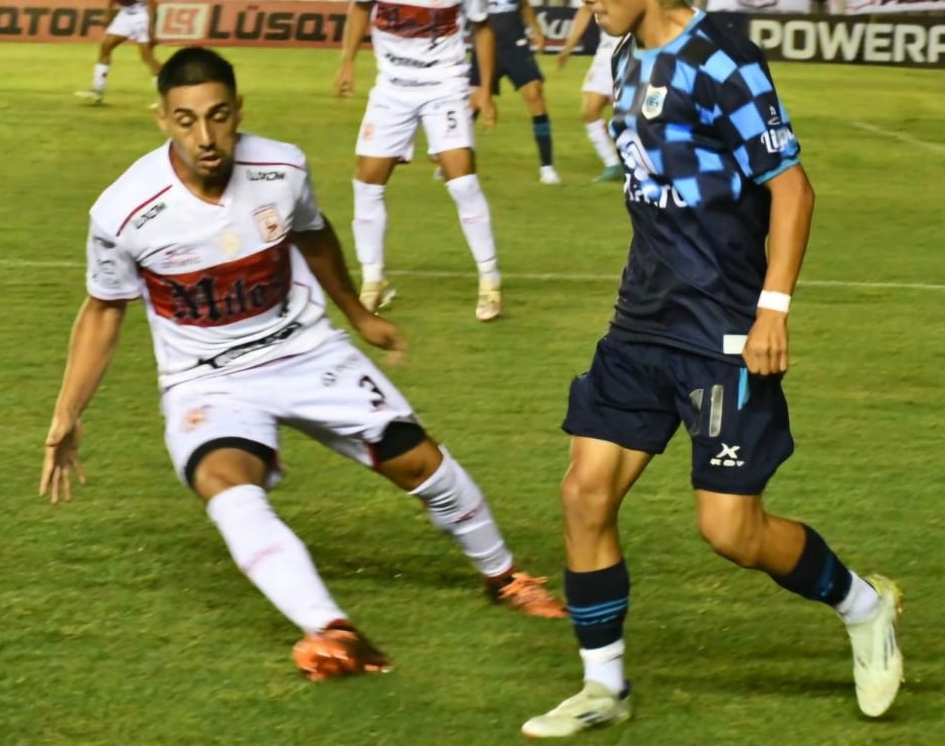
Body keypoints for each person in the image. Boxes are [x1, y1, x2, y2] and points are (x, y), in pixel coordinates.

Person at [40, 46, 565, 678]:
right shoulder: (124, 211)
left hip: (304, 350)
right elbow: (103, 312)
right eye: (186, 120)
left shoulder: (281, 166)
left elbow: (314, 235)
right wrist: (68, 412)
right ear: (162, 119)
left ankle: (504, 576)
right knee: (226, 484)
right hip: (207, 379)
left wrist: (359, 313)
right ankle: (330, 631)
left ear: (239, 111)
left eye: (218, 116)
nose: (205, 137)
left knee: (421, 462)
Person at [520, 0, 903, 738]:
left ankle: (865, 606)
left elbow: (791, 186)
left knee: (730, 530)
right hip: (642, 323)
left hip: (724, 329)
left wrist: (773, 310)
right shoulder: (623, 56)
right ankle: (603, 686)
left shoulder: (721, 57)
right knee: (585, 495)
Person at [335, 0, 503, 322]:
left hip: (443, 85)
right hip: (391, 88)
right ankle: (374, 281)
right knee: (367, 183)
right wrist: (348, 62)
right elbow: (359, 8)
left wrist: (482, 88)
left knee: (461, 180)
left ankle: (489, 281)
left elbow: (483, 29)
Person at [470, 0, 557, 185]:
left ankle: (547, 167)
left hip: (515, 43)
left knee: (535, 96)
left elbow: (523, 4)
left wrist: (537, 31)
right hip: (485, 47)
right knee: (470, 106)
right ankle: (452, 159)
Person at [76, 0, 161, 104]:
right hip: (126, 14)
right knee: (106, 46)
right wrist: (107, 15)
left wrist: (151, 29)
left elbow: (151, 2)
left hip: (142, 14)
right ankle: (97, 91)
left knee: (147, 56)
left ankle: (167, 97)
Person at [557, 3, 627, 182]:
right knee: (590, 110)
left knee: (639, 115)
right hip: (605, 55)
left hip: (633, 54)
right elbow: (586, 9)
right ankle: (612, 164)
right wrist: (569, 46)